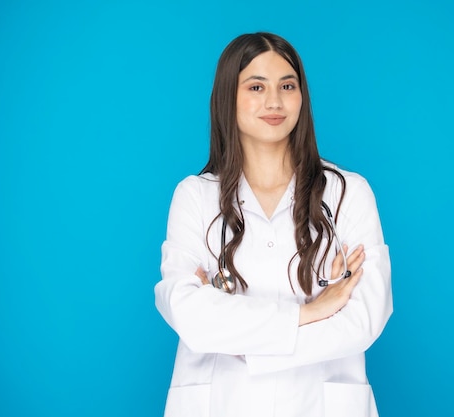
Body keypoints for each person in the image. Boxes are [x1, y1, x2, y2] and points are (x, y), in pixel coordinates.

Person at [154, 32, 392, 417]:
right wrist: (312, 312)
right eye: (256, 86)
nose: (274, 101)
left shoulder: (348, 193)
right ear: (227, 96)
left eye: (287, 85)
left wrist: (239, 336)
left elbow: (364, 321)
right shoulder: (194, 197)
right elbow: (189, 317)